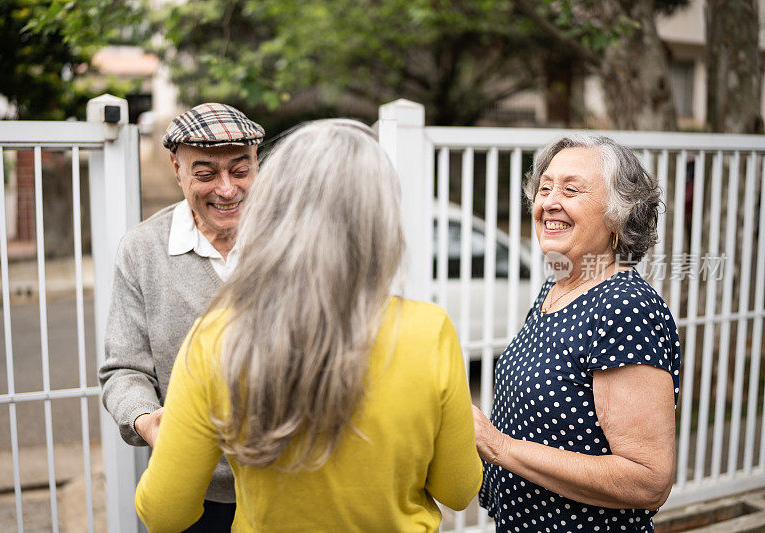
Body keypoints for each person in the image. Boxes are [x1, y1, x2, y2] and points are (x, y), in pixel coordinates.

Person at [133, 119, 483, 532]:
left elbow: (163, 513)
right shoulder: (430, 331)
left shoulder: (216, 334)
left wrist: (178, 428)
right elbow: (459, 490)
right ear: (381, 219)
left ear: (270, 208)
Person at [473, 135, 680, 532]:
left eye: (571, 189)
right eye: (545, 188)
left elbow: (647, 479)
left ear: (619, 214)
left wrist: (499, 448)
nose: (549, 201)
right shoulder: (559, 286)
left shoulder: (623, 306)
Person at [99, 103, 265, 531]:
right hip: (194, 489)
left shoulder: (288, 239)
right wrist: (146, 420)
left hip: (287, 481)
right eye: (206, 173)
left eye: (240, 170)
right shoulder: (142, 251)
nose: (227, 189)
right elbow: (123, 370)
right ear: (177, 168)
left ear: (257, 163)